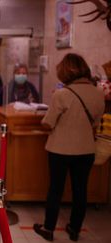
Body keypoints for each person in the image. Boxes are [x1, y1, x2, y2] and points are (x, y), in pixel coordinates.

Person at [33, 53, 105, 242]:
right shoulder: (98, 93)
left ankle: (48, 229)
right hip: (86, 150)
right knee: (80, 190)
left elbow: (48, 123)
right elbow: (96, 122)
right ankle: (74, 229)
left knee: (55, 189)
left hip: (60, 150)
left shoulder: (62, 94)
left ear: (66, 71)